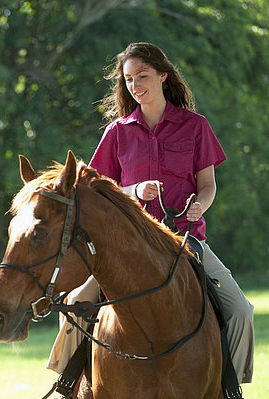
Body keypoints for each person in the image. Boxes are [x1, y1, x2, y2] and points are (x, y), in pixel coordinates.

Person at [47, 42, 254, 389]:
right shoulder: (117, 132)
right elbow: (99, 189)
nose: (135, 85)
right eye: (128, 79)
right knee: (77, 301)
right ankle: (70, 384)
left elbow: (208, 184)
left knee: (240, 310)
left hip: (186, 241)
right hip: (127, 244)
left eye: (142, 76)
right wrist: (133, 191)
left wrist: (201, 204)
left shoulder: (195, 126)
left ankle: (228, 386)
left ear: (162, 75)